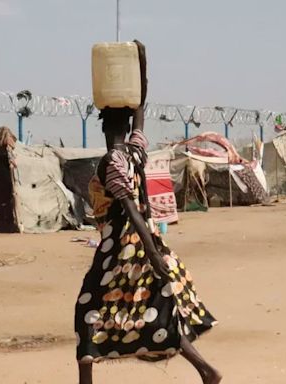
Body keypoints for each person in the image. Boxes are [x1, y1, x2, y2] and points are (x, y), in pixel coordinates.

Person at [74, 41, 221, 384]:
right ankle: (206, 370)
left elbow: (126, 207)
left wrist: (153, 255)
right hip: (142, 243)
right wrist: (141, 65)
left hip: (121, 248)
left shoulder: (113, 160)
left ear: (103, 126)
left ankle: (86, 382)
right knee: (154, 311)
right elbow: (141, 111)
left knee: (88, 312)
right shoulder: (136, 151)